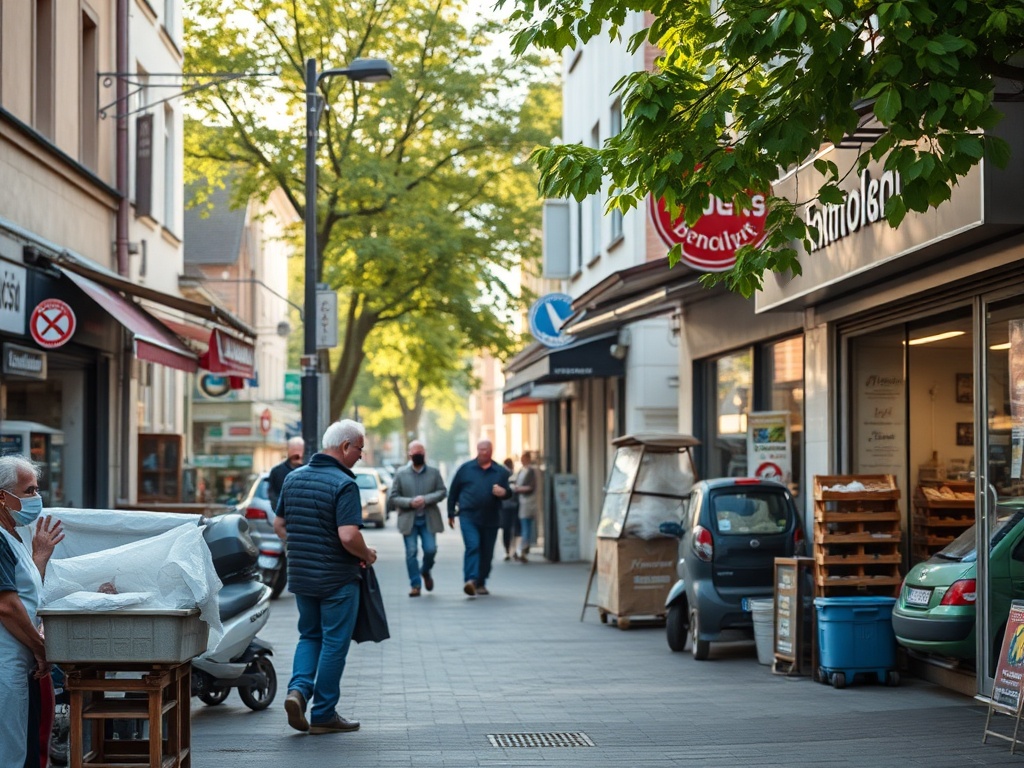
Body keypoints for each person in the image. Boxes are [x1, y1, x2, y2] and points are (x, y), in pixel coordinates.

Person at [273, 420, 377, 735]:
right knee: (334, 642)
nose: (361, 455)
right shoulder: (344, 484)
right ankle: (323, 713)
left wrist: (300, 549)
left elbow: (279, 524)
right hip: (337, 579)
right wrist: (366, 553)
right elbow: (348, 536)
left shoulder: (293, 478)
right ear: (345, 446)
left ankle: (298, 691)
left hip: (302, 576)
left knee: (309, 635)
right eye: (359, 448)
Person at [0, 455, 63, 768]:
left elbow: (26, 594)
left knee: (21, 749)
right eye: (29, 491)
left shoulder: (12, 535)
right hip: (6, 663)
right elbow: (6, 605)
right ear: (2, 496)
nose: (36, 498)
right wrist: (40, 649)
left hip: (19, 665)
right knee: (10, 753)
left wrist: (39, 558)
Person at [447, 440, 511, 597]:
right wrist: (450, 513)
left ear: (491, 451)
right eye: (481, 449)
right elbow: (453, 491)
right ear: (477, 450)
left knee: (487, 552)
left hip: (491, 517)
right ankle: (471, 580)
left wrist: (504, 493)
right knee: (473, 545)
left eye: (486, 449)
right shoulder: (465, 469)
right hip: (468, 515)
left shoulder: (500, 471)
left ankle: (481, 582)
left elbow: (508, 492)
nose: (483, 452)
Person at [388, 440, 446, 597]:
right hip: (409, 520)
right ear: (409, 454)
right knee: (411, 552)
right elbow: (393, 497)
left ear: (424, 454)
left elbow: (442, 491)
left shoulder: (434, 472)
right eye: (415, 453)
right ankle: (415, 584)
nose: (418, 455)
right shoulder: (401, 473)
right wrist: (410, 502)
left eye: (421, 452)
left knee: (431, 549)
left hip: (428, 519)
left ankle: (425, 571)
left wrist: (425, 499)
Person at [512, 451, 541, 563]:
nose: (522, 461)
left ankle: (522, 549)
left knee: (526, 526)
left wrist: (518, 489)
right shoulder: (522, 471)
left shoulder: (531, 471)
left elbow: (531, 487)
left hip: (528, 502)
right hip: (522, 501)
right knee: (524, 526)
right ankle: (521, 549)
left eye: (523, 459)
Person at [268, 436, 307, 512]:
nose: (297, 453)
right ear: (288, 451)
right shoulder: (277, 471)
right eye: (294, 450)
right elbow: (273, 495)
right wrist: (280, 511)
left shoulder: (309, 471)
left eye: (299, 450)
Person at [499, 459, 519, 562]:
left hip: (505, 506)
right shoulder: (511, 475)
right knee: (513, 529)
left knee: (507, 529)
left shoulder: (500, 474)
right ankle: (512, 550)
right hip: (512, 505)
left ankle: (508, 550)